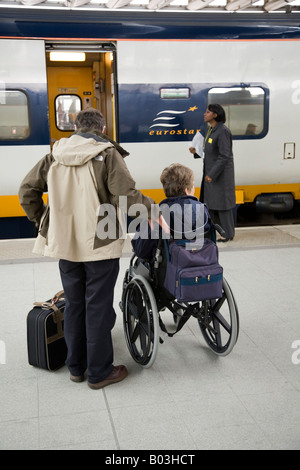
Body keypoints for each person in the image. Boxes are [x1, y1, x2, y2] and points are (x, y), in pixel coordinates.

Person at [19, 108, 158, 390]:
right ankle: (99, 372)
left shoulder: (55, 154)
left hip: (66, 243)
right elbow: (126, 196)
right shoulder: (106, 154)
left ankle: (76, 367)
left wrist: (42, 221)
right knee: (97, 307)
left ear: (75, 127)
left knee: (74, 304)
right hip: (101, 242)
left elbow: (26, 191)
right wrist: (153, 210)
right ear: (102, 128)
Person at [131, 163, 211, 261]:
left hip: (168, 269)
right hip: (202, 263)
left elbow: (141, 250)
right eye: (193, 185)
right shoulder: (203, 210)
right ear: (186, 190)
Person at [202, 104, 236, 242]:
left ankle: (228, 234)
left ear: (215, 115)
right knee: (208, 204)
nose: (205, 114)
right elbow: (210, 151)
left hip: (220, 176)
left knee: (223, 206)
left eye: (208, 112)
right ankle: (208, 234)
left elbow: (224, 156)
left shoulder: (222, 131)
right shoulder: (212, 130)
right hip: (211, 174)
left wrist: (212, 174)